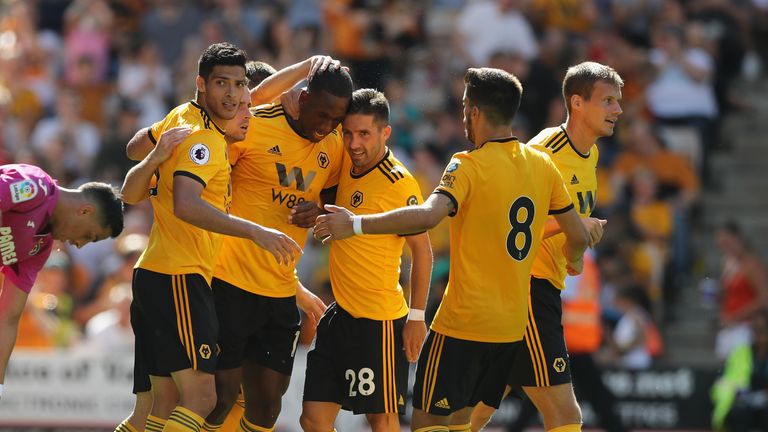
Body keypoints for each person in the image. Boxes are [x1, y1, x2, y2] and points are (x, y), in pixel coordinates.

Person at [313, 67, 589, 432]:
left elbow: (428, 217)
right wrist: (574, 258)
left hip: (463, 322)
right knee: (462, 422)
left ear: (474, 112)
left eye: (464, 107)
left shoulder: (468, 164)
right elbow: (578, 235)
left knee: (426, 422)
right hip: (511, 327)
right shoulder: (542, 165)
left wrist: (357, 224)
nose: (462, 115)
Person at [120, 42, 302, 432]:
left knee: (157, 407)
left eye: (240, 86)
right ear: (201, 84)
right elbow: (187, 204)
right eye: (223, 84)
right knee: (203, 398)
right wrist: (256, 231)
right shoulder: (205, 140)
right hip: (179, 279)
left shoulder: (182, 117)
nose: (235, 96)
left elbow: (133, 156)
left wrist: (157, 149)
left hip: (154, 273)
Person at [469, 61, 624, 432]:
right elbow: (512, 227)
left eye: (617, 101)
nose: (618, 110)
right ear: (578, 103)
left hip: (543, 286)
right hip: (527, 287)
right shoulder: (543, 152)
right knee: (565, 414)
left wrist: (574, 251)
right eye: (608, 101)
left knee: (480, 406)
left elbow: (561, 230)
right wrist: (575, 227)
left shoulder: (592, 155)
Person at [203, 64, 353, 432]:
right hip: (228, 283)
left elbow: (337, 210)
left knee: (267, 408)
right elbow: (209, 182)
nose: (327, 126)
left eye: (336, 118)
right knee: (217, 402)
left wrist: (317, 212)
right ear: (302, 99)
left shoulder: (333, 147)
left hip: (279, 292)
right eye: (321, 114)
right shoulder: (254, 125)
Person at [299, 89, 432, 432]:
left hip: (379, 322)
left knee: (381, 420)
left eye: (364, 134)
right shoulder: (344, 163)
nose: (354, 143)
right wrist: (315, 213)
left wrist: (417, 317)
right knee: (313, 420)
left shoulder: (399, 182)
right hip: (339, 315)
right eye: (348, 133)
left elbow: (423, 250)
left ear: (385, 133)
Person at [0, 163, 124, 399]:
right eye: (90, 236)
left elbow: (8, 316)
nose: (79, 245)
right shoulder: (34, 186)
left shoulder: (40, 247)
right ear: (85, 211)